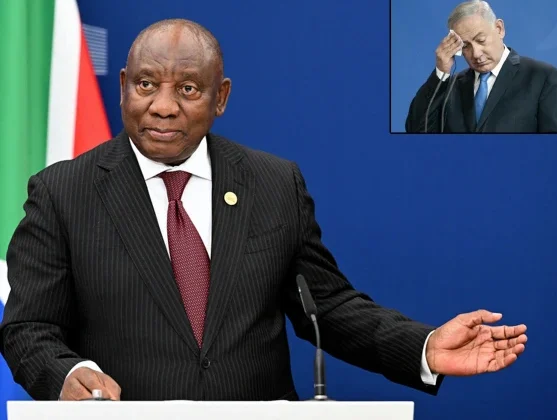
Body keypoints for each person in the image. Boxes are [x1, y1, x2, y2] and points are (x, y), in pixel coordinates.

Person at [0, 18, 527, 401]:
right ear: (122, 87)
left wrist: (424, 347)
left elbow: (327, 309)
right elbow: (29, 328)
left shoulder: (273, 184)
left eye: (187, 89)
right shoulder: (62, 192)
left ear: (221, 97)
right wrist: (67, 375)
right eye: (145, 85)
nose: (162, 106)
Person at [405, 0, 557, 133]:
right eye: (465, 46)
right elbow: (416, 131)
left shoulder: (543, 77)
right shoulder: (451, 87)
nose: (476, 54)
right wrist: (441, 72)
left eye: (481, 40)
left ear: (499, 29)